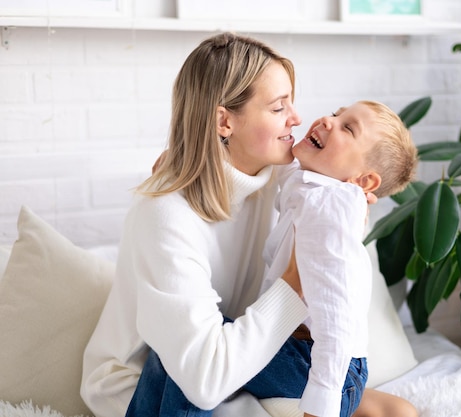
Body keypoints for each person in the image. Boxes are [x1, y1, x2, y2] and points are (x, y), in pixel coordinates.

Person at [80, 32, 416, 417]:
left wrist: (346, 199)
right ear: (224, 121)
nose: (298, 118)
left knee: (395, 410)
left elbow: (335, 190)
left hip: (233, 353)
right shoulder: (166, 212)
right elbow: (203, 378)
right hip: (155, 380)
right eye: (278, 108)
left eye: (291, 102)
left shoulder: (280, 174)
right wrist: (294, 280)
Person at [247, 100, 418, 417]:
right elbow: (274, 165)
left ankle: (343, 396)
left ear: (364, 181)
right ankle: (363, 400)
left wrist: (321, 405)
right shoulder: (314, 185)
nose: (328, 120)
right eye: (337, 114)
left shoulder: (328, 211)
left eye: (347, 128)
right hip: (316, 356)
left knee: (207, 348)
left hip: (310, 356)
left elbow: (336, 319)